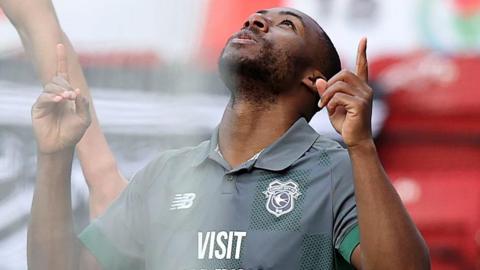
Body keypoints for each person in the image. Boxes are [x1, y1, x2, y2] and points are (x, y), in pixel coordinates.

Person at [1, 1, 430, 269]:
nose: (257, 21)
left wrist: (361, 146)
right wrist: (54, 158)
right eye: (253, 18)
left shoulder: (337, 170)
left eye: (286, 25)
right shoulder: (166, 175)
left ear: (317, 82)